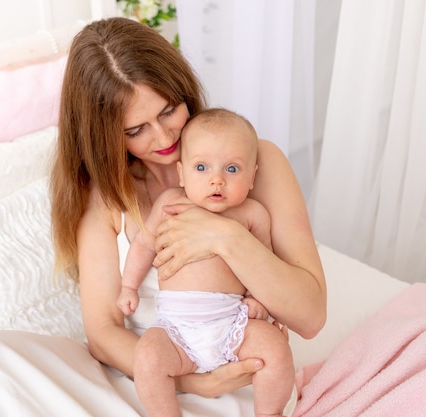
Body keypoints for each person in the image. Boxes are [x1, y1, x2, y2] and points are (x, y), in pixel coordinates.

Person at [0, 16, 326, 417]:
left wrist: (225, 239)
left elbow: (310, 316)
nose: (165, 136)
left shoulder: (252, 160)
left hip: (244, 366)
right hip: (152, 375)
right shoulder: (106, 197)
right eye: (136, 130)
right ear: (106, 136)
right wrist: (191, 382)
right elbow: (102, 331)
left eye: (169, 110)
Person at [116, 108, 294, 417]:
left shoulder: (253, 215)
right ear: (183, 174)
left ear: (252, 177)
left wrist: (257, 300)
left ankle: (270, 412)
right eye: (202, 167)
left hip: (233, 324)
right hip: (176, 330)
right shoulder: (171, 204)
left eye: (232, 170)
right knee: (147, 356)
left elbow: (265, 264)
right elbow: (144, 245)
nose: (217, 180)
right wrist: (129, 286)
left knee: (275, 349)